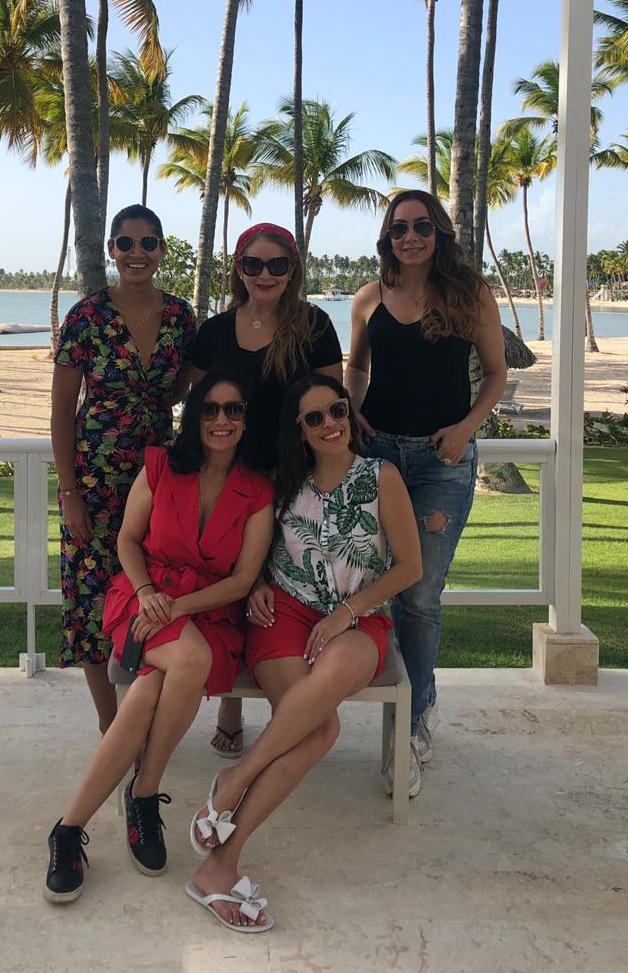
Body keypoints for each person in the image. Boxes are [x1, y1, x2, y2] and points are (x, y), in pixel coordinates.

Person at [185, 374, 422, 933]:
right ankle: (220, 867)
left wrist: (348, 611)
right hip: (282, 619)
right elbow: (259, 558)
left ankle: (233, 781)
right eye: (314, 417)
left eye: (336, 410)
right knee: (320, 731)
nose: (330, 424)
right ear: (299, 428)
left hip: (359, 618)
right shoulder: (283, 482)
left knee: (334, 684)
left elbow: (410, 567)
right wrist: (261, 583)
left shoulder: (380, 477)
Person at [44, 371, 274, 903]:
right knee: (187, 659)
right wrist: (149, 592)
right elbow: (127, 539)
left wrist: (176, 606)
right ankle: (143, 797)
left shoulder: (258, 487)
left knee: (150, 689)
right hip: (141, 597)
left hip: (210, 613)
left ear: (245, 419)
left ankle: (69, 829)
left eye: (233, 410)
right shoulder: (160, 464)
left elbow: (241, 580)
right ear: (194, 416)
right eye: (211, 409)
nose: (222, 420)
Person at [346, 190, 506, 795]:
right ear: (386, 236)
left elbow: (495, 375)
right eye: (397, 228)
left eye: (420, 226)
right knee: (377, 586)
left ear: (439, 233)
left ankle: (410, 726)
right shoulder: (368, 298)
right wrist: (353, 410)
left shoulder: (470, 296)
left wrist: (466, 428)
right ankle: (414, 702)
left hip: (442, 461)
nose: (408, 237)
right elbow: (357, 368)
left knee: (419, 598)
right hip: (378, 457)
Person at [188, 223, 343, 756]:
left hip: (297, 480)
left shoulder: (315, 325)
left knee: (283, 589)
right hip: (232, 479)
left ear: (293, 269)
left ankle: (293, 694)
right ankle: (230, 703)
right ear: (238, 268)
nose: (265, 274)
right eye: (253, 263)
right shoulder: (212, 332)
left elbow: (331, 401)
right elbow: (196, 405)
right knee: (233, 583)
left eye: (278, 264)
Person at [51, 205, 195, 734]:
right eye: (127, 242)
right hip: (94, 475)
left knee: (150, 589)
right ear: (112, 249)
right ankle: (111, 725)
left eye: (149, 242)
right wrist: (69, 491)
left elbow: (181, 388)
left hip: (159, 474)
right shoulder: (86, 317)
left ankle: (144, 713)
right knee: (91, 596)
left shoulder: (181, 317)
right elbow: (62, 409)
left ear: (162, 250)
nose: (138, 253)